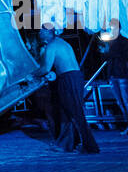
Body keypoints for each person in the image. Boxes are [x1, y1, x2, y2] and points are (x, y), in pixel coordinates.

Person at [39, 24, 99, 154]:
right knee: (66, 112)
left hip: (68, 78)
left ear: (48, 32)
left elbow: (45, 68)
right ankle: (66, 144)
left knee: (75, 112)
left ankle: (89, 146)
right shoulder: (61, 43)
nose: (39, 32)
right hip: (72, 77)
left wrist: (31, 74)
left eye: (41, 30)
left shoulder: (52, 45)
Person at [102, 19, 128, 134]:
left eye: (113, 28)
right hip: (112, 74)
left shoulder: (124, 41)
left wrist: (108, 50)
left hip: (122, 74)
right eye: (110, 28)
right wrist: (105, 51)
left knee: (126, 100)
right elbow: (105, 58)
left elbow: (123, 56)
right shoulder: (109, 42)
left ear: (118, 28)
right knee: (120, 102)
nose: (111, 30)